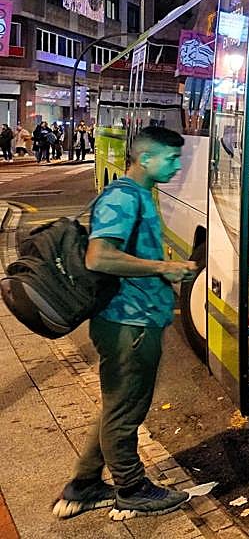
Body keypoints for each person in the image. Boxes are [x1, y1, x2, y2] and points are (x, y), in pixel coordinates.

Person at [52, 126, 196, 521]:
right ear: (145, 158)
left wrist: (162, 273)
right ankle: (132, 489)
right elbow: (99, 257)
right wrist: (163, 267)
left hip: (133, 316)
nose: (177, 165)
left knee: (117, 405)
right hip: (128, 322)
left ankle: (83, 485)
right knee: (126, 409)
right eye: (170, 158)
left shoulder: (136, 194)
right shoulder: (123, 197)